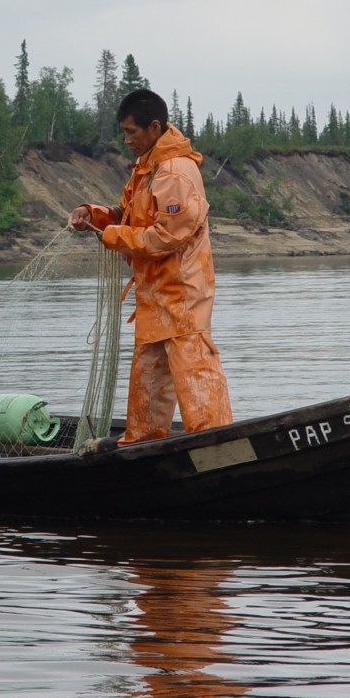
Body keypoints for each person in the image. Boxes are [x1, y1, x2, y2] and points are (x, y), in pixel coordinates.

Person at [68, 89, 232, 446]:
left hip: (182, 297)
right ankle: (141, 449)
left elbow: (167, 235)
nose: (126, 139)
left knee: (196, 378)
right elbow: (126, 214)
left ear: (154, 127)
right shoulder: (147, 167)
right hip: (154, 296)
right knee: (147, 386)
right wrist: (93, 214)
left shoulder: (175, 171)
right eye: (123, 131)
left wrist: (113, 236)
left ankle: (217, 449)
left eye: (132, 132)